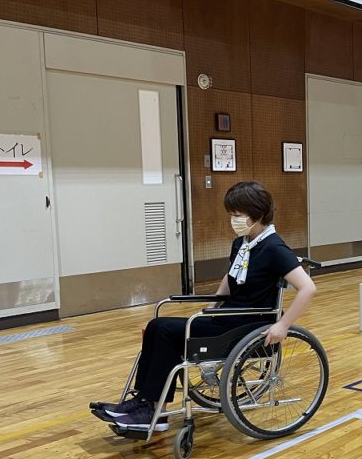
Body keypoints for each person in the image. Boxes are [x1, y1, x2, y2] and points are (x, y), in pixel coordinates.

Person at [90, 181, 316, 434]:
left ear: (257, 214)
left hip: (247, 323)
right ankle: (144, 402)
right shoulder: (242, 243)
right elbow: (230, 280)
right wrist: (210, 306)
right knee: (156, 326)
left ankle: (155, 410)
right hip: (226, 317)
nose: (233, 220)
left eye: (237, 215)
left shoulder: (274, 247)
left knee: (164, 331)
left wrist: (283, 325)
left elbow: (308, 288)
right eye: (231, 214)